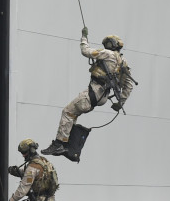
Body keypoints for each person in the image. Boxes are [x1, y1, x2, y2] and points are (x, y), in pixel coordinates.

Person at [42, 27, 135, 157]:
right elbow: (129, 85)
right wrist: (121, 102)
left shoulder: (107, 54)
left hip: (93, 93)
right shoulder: (123, 62)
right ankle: (69, 147)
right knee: (73, 115)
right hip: (103, 97)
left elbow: (85, 51)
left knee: (67, 112)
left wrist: (84, 37)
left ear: (110, 44)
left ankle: (59, 144)